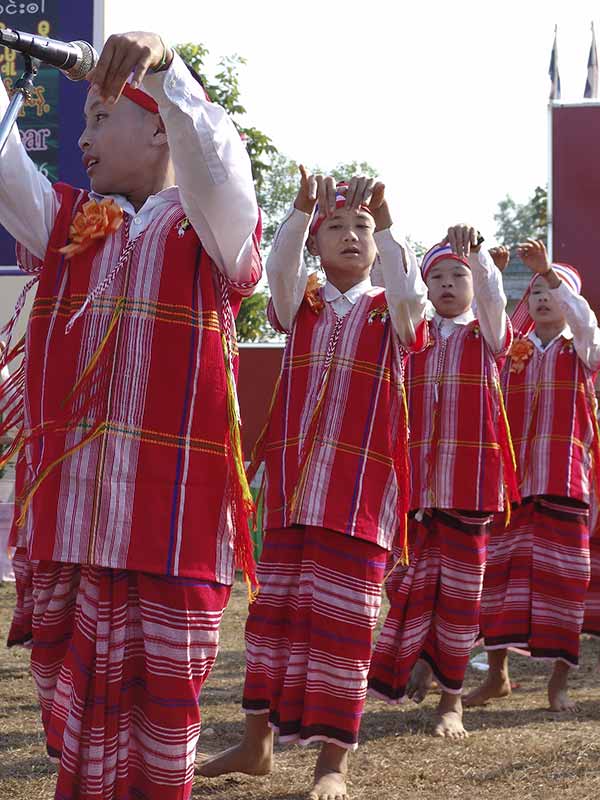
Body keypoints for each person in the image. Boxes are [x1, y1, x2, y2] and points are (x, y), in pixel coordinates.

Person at [0, 30, 261, 800]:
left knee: (158, 730)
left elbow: (219, 163)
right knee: (71, 706)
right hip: (70, 524)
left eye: (102, 113)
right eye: (80, 121)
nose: (80, 137)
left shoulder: (212, 227)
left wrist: (169, 66)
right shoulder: (65, 220)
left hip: (171, 526)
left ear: (160, 127)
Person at [200, 169, 428, 800]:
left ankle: (334, 765)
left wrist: (385, 219)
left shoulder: (395, 314)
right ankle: (255, 744)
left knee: (345, 627)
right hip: (296, 494)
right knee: (273, 618)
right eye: (336, 227)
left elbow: (410, 292)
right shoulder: (300, 301)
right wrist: (299, 213)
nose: (350, 236)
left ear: (378, 245)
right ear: (318, 244)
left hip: (361, 495)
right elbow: (276, 267)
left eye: (361, 229)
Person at [368, 225, 517, 739]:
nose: (450, 284)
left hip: (469, 489)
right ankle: (419, 660)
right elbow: (399, 290)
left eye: (460, 275)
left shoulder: (491, 336)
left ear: (475, 283)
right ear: (426, 289)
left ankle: (450, 702)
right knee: (402, 585)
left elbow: (496, 298)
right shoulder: (414, 337)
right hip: (412, 492)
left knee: (458, 601)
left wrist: (480, 258)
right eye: (439, 277)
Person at [466, 240, 600, 712]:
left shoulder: (583, 349)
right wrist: (491, 272)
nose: (544, 296)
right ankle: (497, 675)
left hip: (565, 483)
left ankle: (558, 681)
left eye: (553, 289)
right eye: (538, 289)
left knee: (565, 583)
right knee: (498, 579)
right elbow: (489, 312)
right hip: (512, 485)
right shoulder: (512, 350)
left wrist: (549, 271)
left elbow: (586, 322)